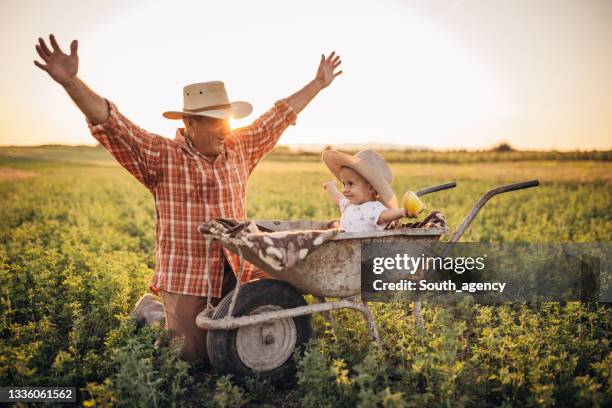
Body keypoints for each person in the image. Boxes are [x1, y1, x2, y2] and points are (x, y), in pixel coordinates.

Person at [34, 34, 343, 362]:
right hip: (188, 273)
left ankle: (215, 319)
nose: (225, 130)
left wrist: (317, 83)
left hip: (235, 265)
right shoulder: (161, 156)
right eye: (215, 122)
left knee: (267, 309)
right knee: (191, 356)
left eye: (227, 120)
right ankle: (153, 311)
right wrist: (71, 83)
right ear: (189, 123)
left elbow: (278, 116)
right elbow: (112, 124)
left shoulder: (238, 147)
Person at [321, 149, 408, 232]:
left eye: (350, 184)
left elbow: (386, 215)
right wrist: (331, 187)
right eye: (344, 184)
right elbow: (338, 199)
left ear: (371, 188)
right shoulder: (349, 204)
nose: (345, 190)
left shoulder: (374, 208)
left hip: (363, 246)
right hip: (345, 244)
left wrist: (402, 212)